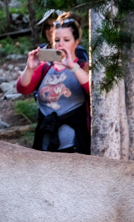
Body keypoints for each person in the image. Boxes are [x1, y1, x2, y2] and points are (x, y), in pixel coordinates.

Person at [16, 16, 91, 154]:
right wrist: (30, 67)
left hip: (74, 146)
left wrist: (72, 67)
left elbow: (92, 90)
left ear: (76, 42)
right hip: (46, 143)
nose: (60, 44)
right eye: (57, 40)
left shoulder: (82, 66)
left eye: (66, 40)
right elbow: (23, 88)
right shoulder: (45, 67)